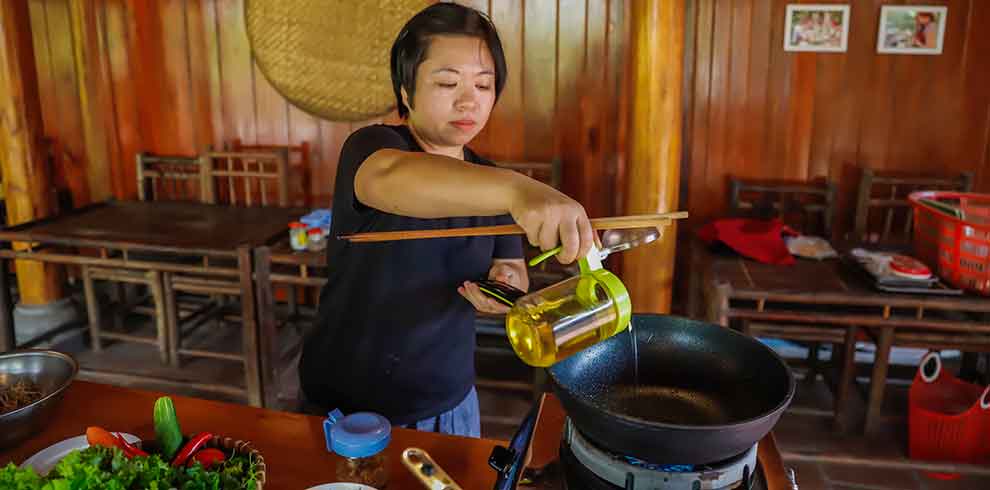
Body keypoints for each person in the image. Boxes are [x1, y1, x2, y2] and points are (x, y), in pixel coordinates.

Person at [297, 3, 595, 438]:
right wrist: (519, 188)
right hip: (344, 401)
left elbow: (510, 267)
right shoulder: (373, 148)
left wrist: (506, 286)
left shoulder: (491, 182)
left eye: (483, 84)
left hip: (445, 399)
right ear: (405, 91)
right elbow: (390, 178)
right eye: (447, 82)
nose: (468, 99)